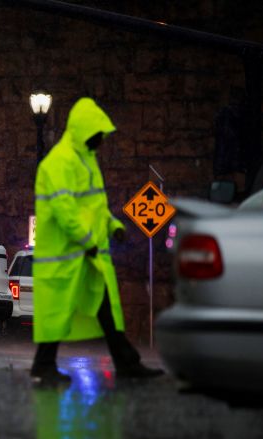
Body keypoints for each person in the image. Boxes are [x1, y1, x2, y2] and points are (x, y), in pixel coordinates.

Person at [30, 97, 163, 384]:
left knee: (105, 309)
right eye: (98, 134)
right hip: (66, 256)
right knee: (62, 312)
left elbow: (94, 206)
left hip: (84, 256)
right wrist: (87, 240)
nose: (101, 140)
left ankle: (125, 361)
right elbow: (64, 209)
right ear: (84, 131)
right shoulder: (60, 162)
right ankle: (46, 365)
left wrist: (113, 225)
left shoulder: (84, 161)